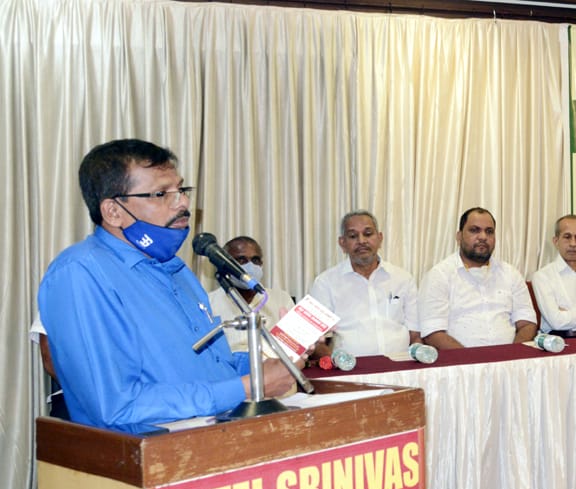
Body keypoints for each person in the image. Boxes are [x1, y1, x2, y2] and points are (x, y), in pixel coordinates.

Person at [37, 139, 294, 433]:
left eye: (181, 190)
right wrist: (244, 388)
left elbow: (212, 366)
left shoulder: (177, 271)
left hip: (215, 439)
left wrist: (271, 364)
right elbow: (116, 406)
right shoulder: (80, 274)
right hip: (143, 454)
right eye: (161, 194)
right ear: (113, 211)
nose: (182, 203)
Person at [419, 207, 537, 349]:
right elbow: (432, 333)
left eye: (489, 231)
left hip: (510, 359)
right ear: (459, 236)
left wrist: (512, 355)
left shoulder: (510, 274)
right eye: (474, 230)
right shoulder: (439, 275)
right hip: (461, 361)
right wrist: (471, 359)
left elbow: (527, 323)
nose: (483, 237)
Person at [309, 210, 420, 358]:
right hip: (348, 367)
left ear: (380, 238)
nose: (361, 241)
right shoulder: (325, 283)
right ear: (342, 243)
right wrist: (336, 363)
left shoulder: (403, 278)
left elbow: (415, 333)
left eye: (368, 234)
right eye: (353, 236)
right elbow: (314, 340)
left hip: (400, 364)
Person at [206, 236, 296, 354]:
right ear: (224, 265)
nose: (250, 266)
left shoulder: (281, 299)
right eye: (241, 260)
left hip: (273, 362)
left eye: (255, 260)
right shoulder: (209, 303)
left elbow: (295, 344)